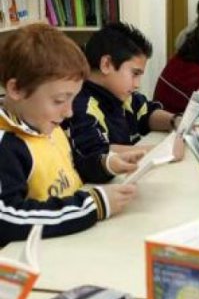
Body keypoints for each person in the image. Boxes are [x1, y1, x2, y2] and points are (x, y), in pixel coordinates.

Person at [0, 24, 138, 246]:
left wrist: (106, 164)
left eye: (73, 99)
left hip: (69, 243)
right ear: (17, 90)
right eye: (59, 100)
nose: (69, 112)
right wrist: (93, 206)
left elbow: (71, 167)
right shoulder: (6, 144)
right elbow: (6, 218)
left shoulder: (45, 122)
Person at [64, 22, 184, 161]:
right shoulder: (81, 105)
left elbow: (146, 113)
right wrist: (162, 151)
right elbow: (97, 152)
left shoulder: (121, 95)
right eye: (135, 74)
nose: (137, 84)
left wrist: (175, 121)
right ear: (106, 64)